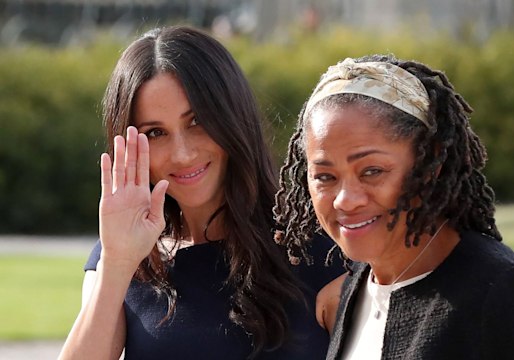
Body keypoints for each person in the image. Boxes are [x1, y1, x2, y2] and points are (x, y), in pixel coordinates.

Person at [58, 25, 343, 360]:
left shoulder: (321, 251)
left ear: (232, 116)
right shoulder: (123, 255)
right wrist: (118, 262)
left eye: (197, 122)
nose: (182, 154)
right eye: (155, 133)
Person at [273, 55, 514, 359]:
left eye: (372, 171)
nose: (345, 199)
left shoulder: (505, 295)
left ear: (429, 162)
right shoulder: (354, 288)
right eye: (325, 177)